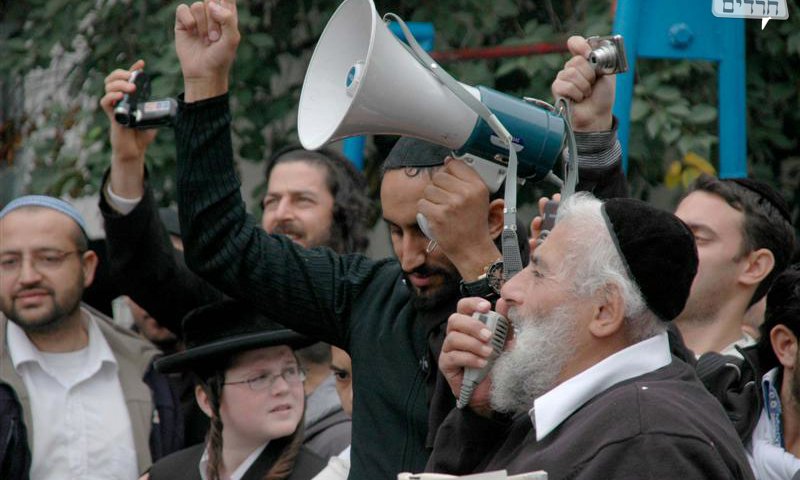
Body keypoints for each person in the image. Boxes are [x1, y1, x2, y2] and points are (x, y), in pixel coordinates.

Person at [171, 4, 632, 477]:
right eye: (395, 230)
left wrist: (590, 140)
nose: (409, 256)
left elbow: (611, 270)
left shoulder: (546, 306)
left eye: (428, 230)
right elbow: (219, 244)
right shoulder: (362, 295)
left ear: (494, 218)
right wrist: (206, 85)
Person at [98, 60, 362, 456]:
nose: (281, 213)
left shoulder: (373, 298)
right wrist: (127, 161)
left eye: (302, 200)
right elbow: (147, 271)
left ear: (342, 214)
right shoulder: (235, 303)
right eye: (271, 201)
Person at [428, 193, 754, 479]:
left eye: (539, 273)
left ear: (605, 311)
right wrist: (483, 417)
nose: (510, 289)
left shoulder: (649, 443)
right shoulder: (613, 415)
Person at [0, 195, 182, 479]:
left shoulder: (146, 372)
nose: (27, 276)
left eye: (48, 258)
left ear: (87, 267)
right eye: (8, 262)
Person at [144, 300, 326, 480]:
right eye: (259, 377)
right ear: (207, 401)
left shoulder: (321, 476)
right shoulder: (167, 474)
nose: (283, 388)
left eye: (290, 371)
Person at [673, 175, 796, 357]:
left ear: (755, 267)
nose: (669, 245)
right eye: (671, 231)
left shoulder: (762, 382)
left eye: (697, 238)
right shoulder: (625, 358)